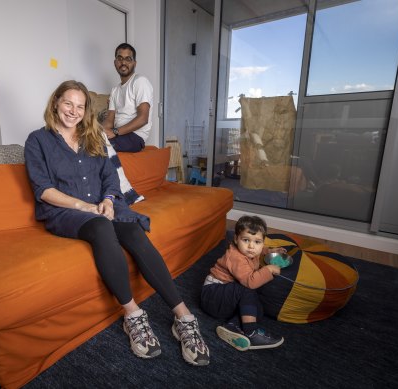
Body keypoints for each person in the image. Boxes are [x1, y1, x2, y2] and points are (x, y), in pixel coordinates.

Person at [24, 80, 209, 366]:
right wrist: (85, 207)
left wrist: (109, 200)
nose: (73, 111)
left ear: (86, 111)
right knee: (100, 227)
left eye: (80, 106)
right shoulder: (38, 140)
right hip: (65, 212)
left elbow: (110, 177)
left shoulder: (93, 136)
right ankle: (133, 315)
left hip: (102, 205)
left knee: (133, 231)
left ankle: (183, 316)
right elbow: (43, 189)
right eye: (68, 103)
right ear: (55, 103)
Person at [200, 215, 285, 351]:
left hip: (225, 297)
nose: (251, 246)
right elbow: (250, 282)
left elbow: (258, 251)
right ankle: (251, 333)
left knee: (258, 309)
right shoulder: (236, 257)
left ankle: (232, 327)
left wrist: (269, 251)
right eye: (246, 240)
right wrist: (268, 269)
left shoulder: (250, 251)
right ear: (236, 239)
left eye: (257, 242)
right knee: (247, 289)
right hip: (213, 296)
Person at [102, 43, 153, 152]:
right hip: (119, 134)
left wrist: (115, 132)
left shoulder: (140, 81)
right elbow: (109, 121)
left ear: (134, 63)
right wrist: (97, 131)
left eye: (128, 59)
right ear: (115, 63)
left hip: (135, 137)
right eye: (120, 58)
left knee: (98, 147)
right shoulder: (115, 90)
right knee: (88, 140)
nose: (123, 62)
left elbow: (143, 118)